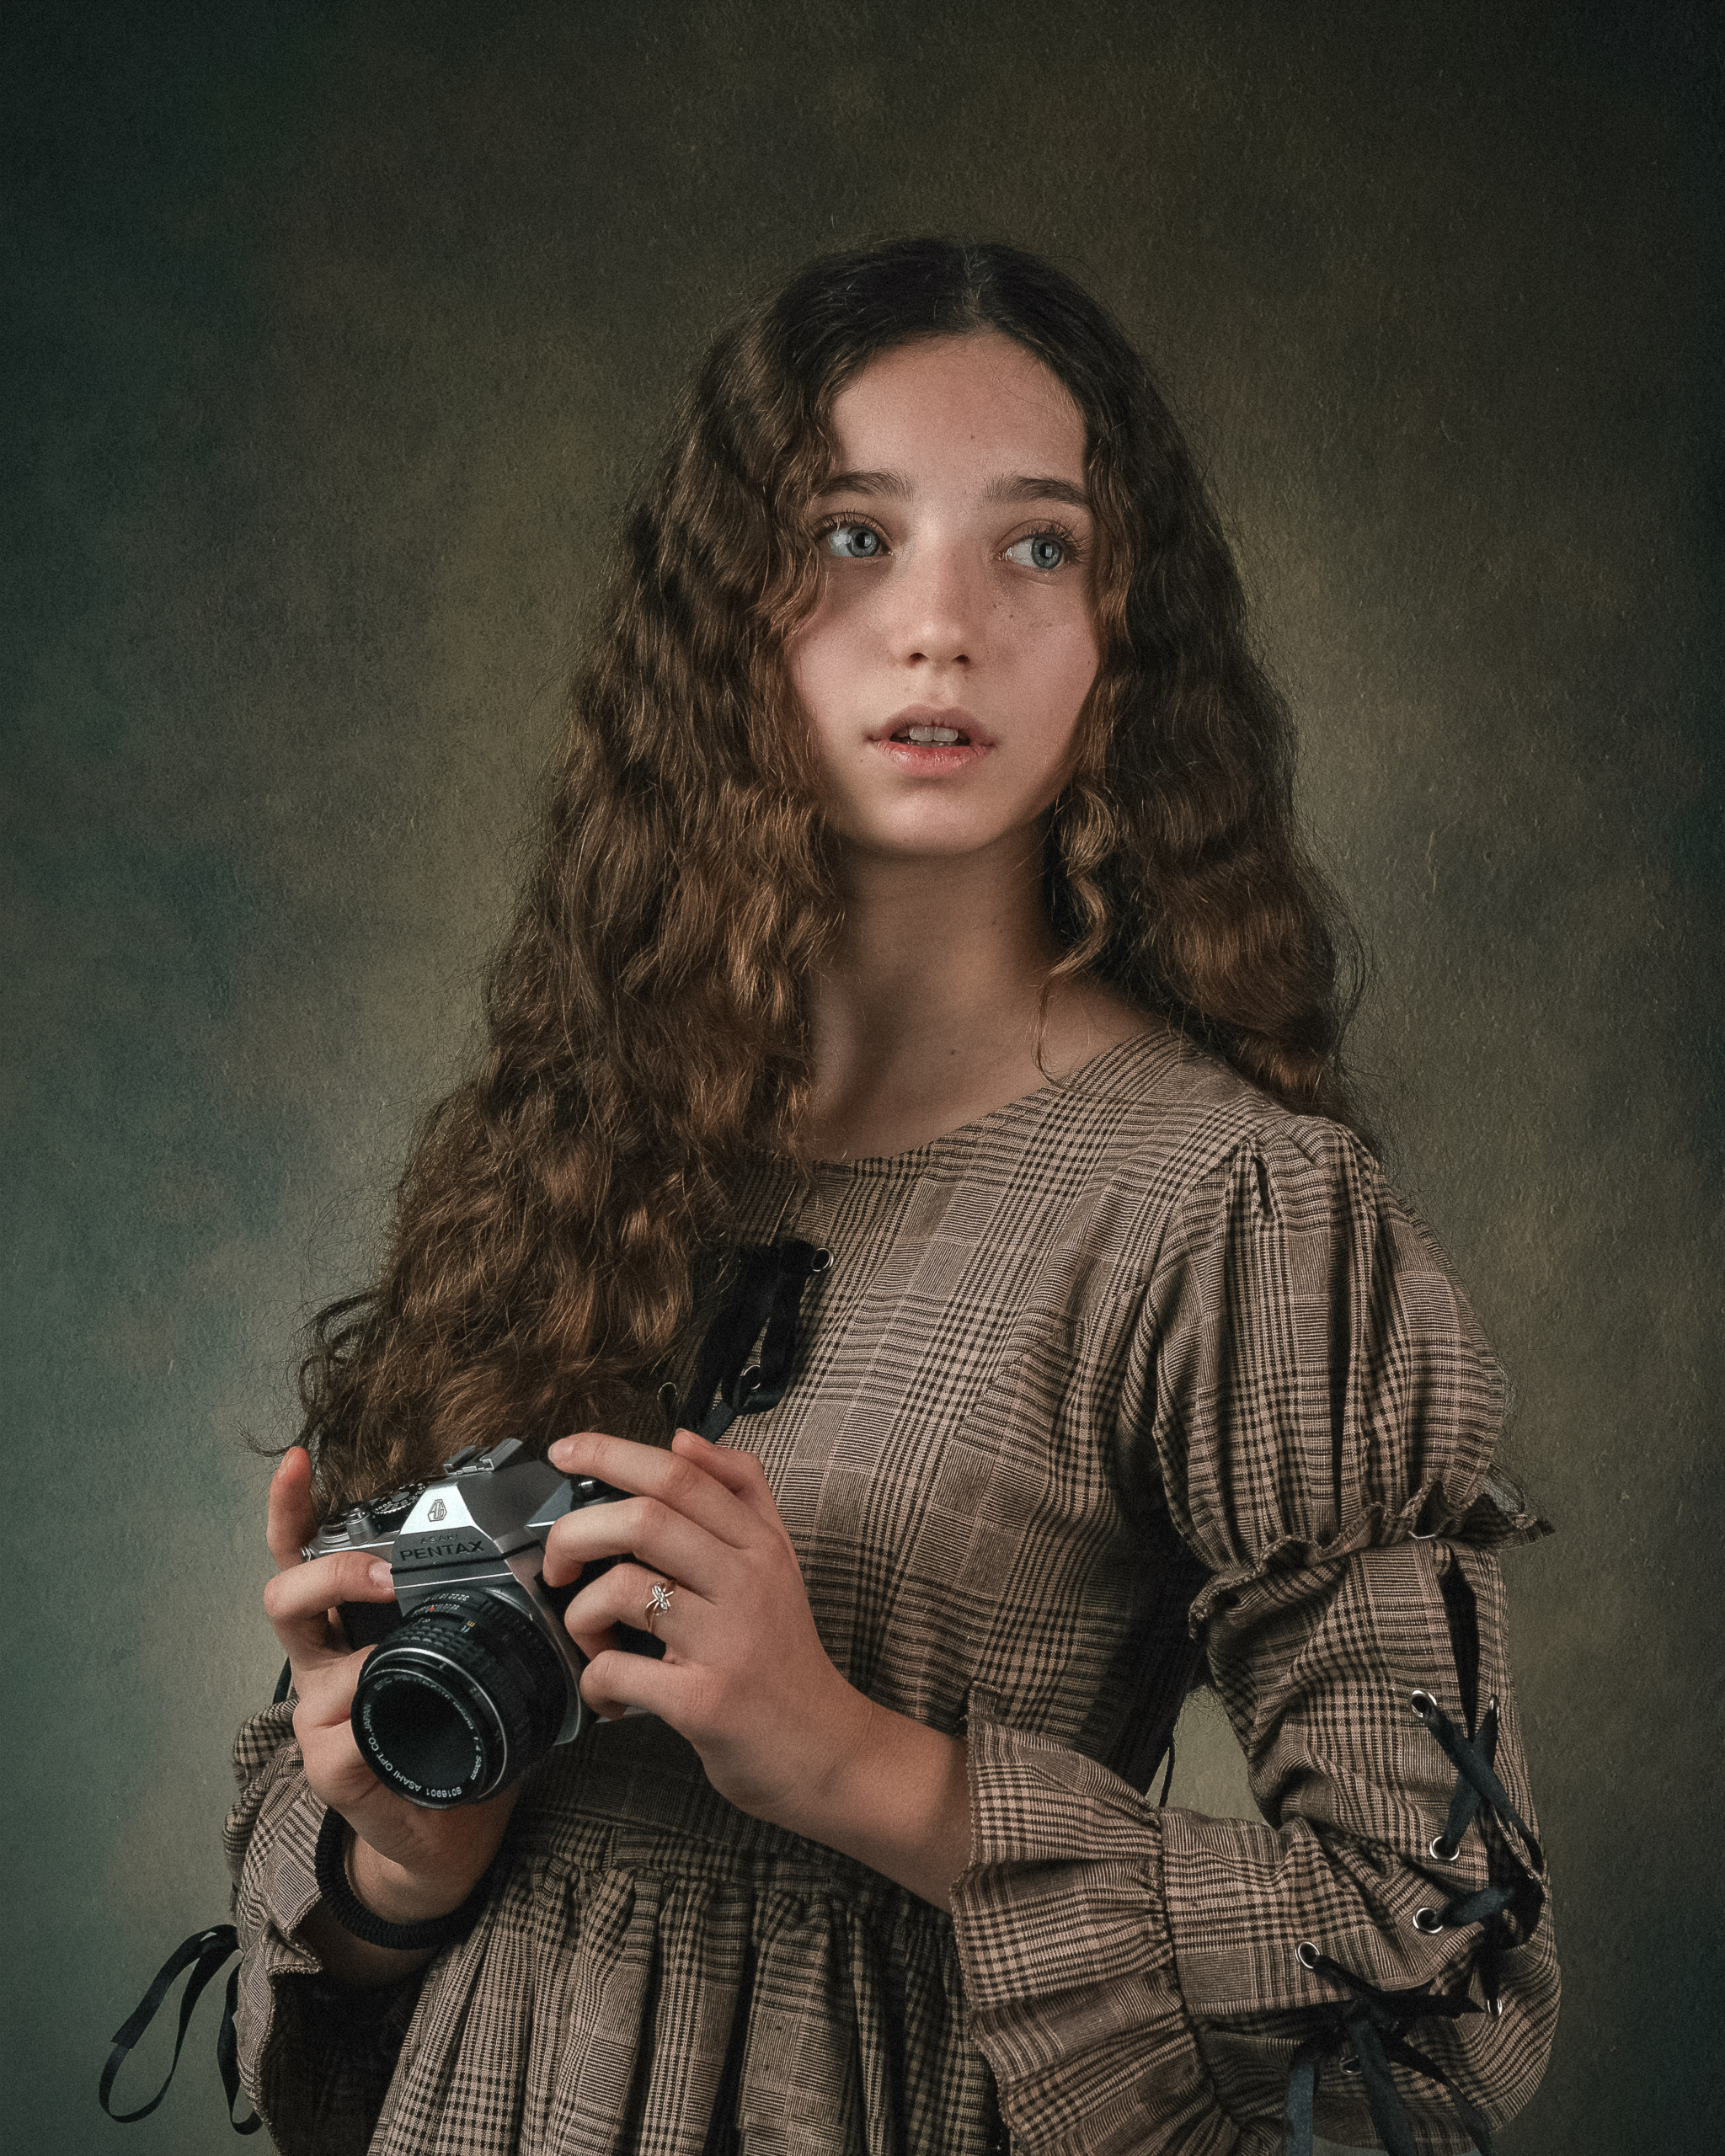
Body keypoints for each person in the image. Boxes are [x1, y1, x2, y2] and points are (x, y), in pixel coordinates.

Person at [232, 237, 1558, 2156]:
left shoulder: (1235, 1214)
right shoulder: (572, 1138)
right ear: (721, 614)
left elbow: (1449, 1974)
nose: (941, 623)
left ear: (1123, 633)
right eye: (852, 534)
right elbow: (340, 1956)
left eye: (1036, 547)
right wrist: (405, 1859)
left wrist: (848, 1755)